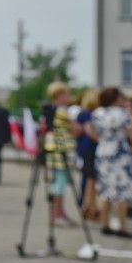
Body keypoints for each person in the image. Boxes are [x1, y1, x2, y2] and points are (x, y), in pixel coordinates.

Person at [84, 87, 132, 238]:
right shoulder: (122, 114)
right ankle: (122, 227)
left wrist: (103, 141)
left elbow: (91, 130)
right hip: (119, 153)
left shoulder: (98, 113)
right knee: (121, 191)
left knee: (104, 190)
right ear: (115, 99)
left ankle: (104, 224)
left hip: (103, 152)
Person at [43, 81, 81, 227]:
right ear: (59, 95)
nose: (68, 96)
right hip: (62, 150)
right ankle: (58, 215)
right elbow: (77, 130)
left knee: (58, 183)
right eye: (66, 93)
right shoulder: (62, 111)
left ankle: (59, 213)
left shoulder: (53, 110)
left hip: (55, 149)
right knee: (59, 183)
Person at [75, 89, 99, 220]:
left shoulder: (81, 114)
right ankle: (88, 207)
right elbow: (90, 132)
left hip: (84, 148)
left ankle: (87, 206)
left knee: (88, 178)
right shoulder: (89, 115)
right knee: (91, 179)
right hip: (91, 149)